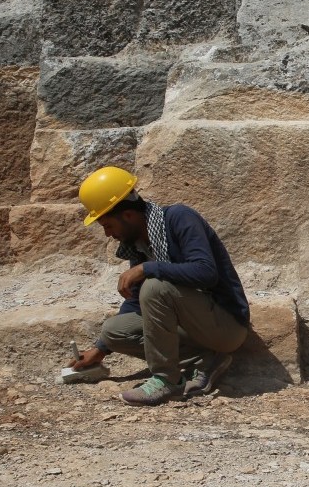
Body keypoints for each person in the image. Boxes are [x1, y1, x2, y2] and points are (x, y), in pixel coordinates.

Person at [64, 166, 251, 406]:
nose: (109, 234)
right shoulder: (141, 243)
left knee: (154, 287)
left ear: (128, 215)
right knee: (113, 331)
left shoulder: (180, 218)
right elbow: (135, 302)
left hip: (226, 327)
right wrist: (101, 348)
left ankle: (166, 380)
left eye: (108, 225)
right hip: (193, 327)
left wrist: (147, 269)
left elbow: (206, 272)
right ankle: (205, 360)